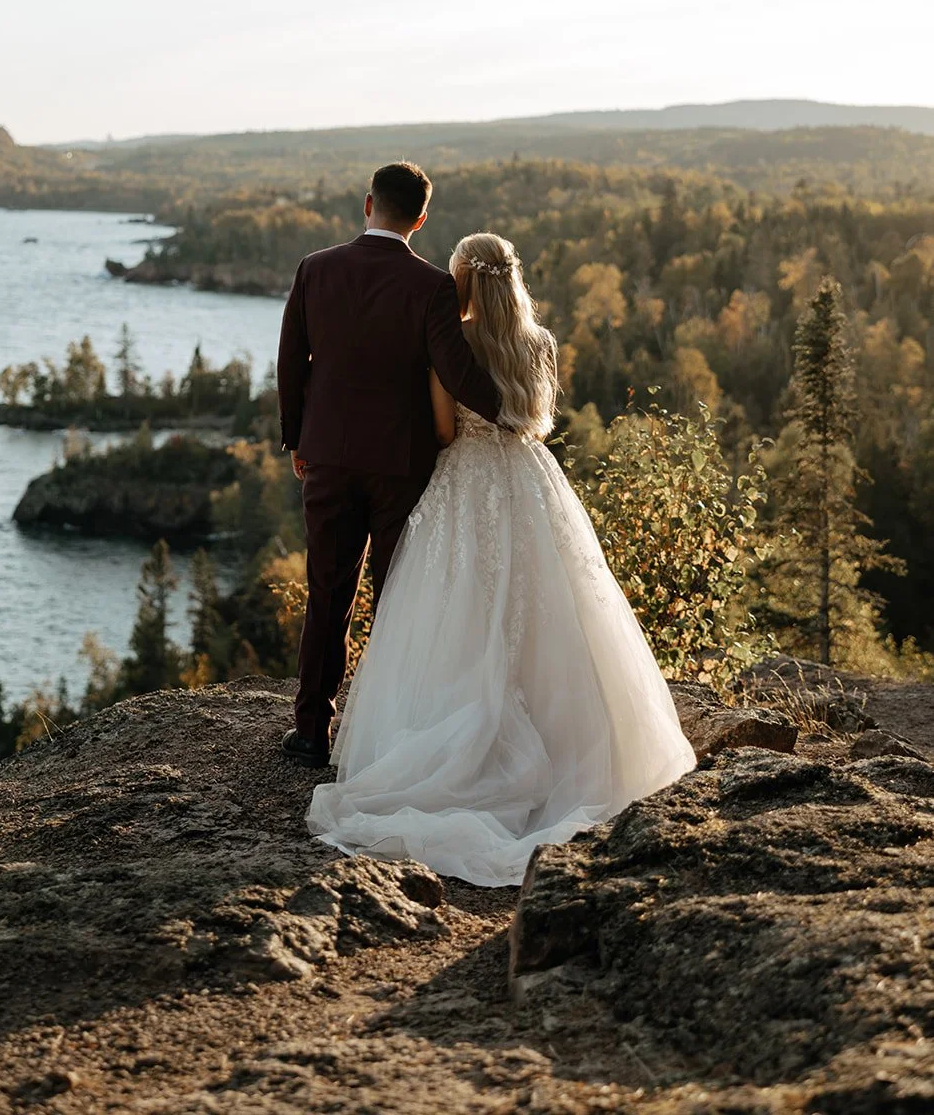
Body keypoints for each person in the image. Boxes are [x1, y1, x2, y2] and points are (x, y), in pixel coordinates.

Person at [306, 231, 696, 887]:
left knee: (458, 605)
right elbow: (539, 416)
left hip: (465, 480)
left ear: (462, 279)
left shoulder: (449, 342)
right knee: (554, 605)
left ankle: (460, 743)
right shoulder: (538, 343)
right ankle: (568, 745)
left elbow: (441, 431)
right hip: (529, 476)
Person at [276, 161, 500, 768]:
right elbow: (455, 373)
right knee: (397, 594)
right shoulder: (432, 288)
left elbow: (292, 362)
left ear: (367, 204)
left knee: (328, 591)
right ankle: (390, 733)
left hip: (327, 453)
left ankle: (311, 732)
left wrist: (298, 438)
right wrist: (510, 411)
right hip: (402, 463)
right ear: (421, 220)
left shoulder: (315, 268)